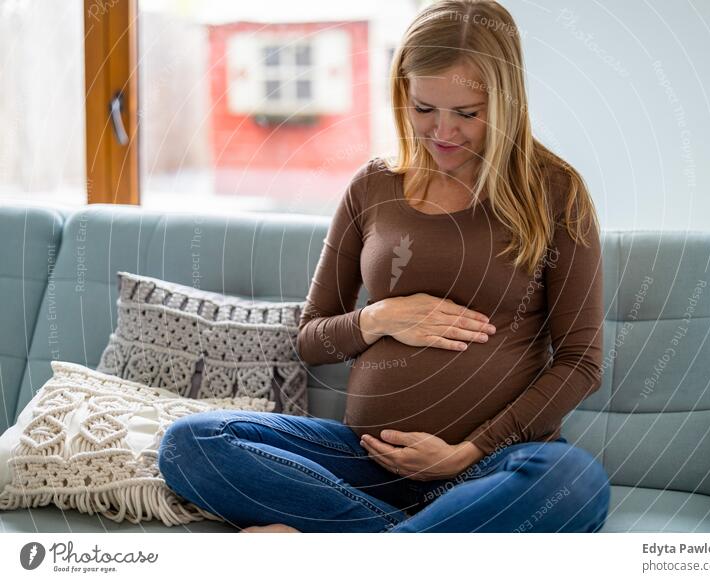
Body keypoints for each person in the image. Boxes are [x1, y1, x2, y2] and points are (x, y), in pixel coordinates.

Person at [158, 0, 610, 533]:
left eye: (466, 113)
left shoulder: (554, 193)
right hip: (361, 461)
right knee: (192, 445)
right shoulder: (373, 186)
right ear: (402, 93)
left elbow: (581, 361)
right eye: (424, 108)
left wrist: (466, 452)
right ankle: (419, 542)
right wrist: (379, 318)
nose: (443, 132)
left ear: (506, 101)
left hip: (488, 468)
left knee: (573, 482)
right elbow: (311, 340)